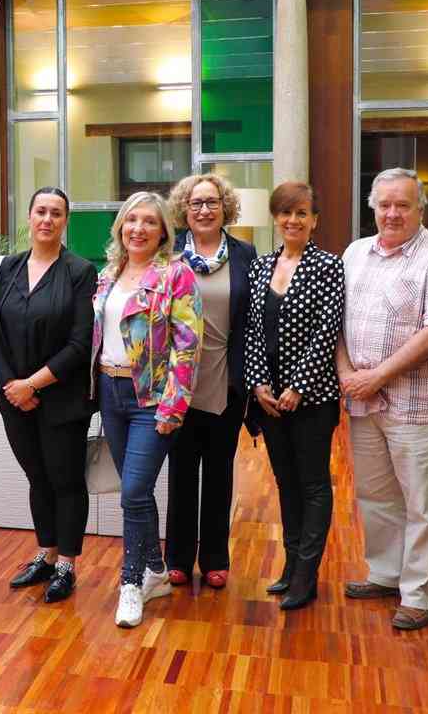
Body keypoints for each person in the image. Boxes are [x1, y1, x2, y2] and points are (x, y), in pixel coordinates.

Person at [336, 168, 428, 630]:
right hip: (362, 402)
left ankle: (418, 597)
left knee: (422, 505)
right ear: (372, 206)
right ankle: (385, 574)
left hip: (417, 405)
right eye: (384, 204)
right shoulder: (354, 255)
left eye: (402, 205)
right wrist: (349, 374)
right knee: (375, 494)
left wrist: (378, 377)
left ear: (420, 209)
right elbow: (337, 321)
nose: (392, 213)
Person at [91, 191, 202, 628]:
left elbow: (188, 348)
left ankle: (131, 583)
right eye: (131, 220)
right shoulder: (109, 273)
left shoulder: (176, 275)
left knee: (134, 492)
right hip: (110, 393)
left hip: (151, 399)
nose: (138, 228)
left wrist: (174, 406)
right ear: (121, 226)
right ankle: (156, 568)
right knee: (135, 493)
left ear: (162, 232)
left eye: (149, 222)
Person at [0, 187, 97, 603]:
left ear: (65, 221)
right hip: (14, 399)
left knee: (65, 481)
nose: (47, 220)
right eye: (40, 212)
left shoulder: (80, 271)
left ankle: (66, 564)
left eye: (56, 213)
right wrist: (11, 385)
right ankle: (45, 554)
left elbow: (81, 343)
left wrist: (33, 384)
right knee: (37, 478)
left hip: (62, 401)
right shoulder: (9, 268)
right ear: (28, 217)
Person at [243, 180, 344, 611]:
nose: (293, 220)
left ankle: (307, 573)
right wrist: (258, 384)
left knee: (314, 483)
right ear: (275, 218)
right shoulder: (260, 266)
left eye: (302, 213)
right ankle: (289, 567)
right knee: (285, 483)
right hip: (270, 400)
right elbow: (250, 330)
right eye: (286, 212)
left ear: (314, 220)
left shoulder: (329, 266)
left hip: (312, 398)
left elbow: (327, 332)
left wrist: (297, 387)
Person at [163, 174, 257, 589]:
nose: (204, 209)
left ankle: (216, 557)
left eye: (212, 202)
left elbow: (252, 323)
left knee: (219, 473)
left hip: (226, 381)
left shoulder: (244, 254)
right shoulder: (169, 255)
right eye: (196, 203)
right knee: (181, 474)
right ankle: (179, 558)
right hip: (179, 384)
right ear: (184, 209)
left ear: (225, 207)